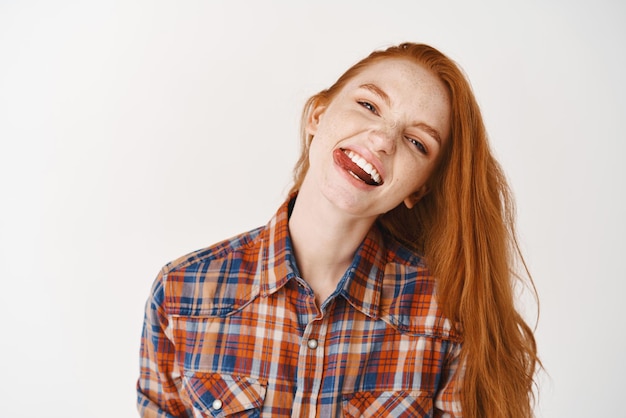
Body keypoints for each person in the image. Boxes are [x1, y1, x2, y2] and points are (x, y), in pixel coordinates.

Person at [137, 42, 540, 417]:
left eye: (417, 142)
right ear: (317, 115)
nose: (382, 139)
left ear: (420, 188)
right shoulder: (180, 291)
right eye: (368, 105)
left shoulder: (450, 316)